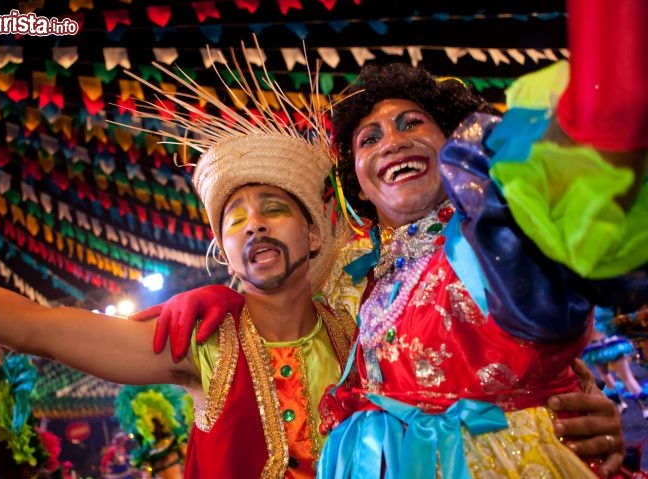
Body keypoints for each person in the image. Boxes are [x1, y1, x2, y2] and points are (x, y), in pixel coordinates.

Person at [134, 0, 645, 477]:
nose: (393, 141)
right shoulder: (360, 279)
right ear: (357, 180)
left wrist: (584, 401)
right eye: (370, 138)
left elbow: (604, 139)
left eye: (411, 124)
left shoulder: (491, 232)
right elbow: (282, 305)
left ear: (452, 145)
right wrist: (223, 297)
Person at [0, 47, 354, 479]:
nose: (254, 225)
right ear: (225, 254)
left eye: (273, 209)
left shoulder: (359, 338)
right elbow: (31, 325)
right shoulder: (203, 343)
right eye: (236, 219)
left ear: (314, 233)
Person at [582, 306, 648, 418]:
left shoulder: (594, 307)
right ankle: (623, 404)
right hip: (598, 347)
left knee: (620, 376)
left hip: (606, 345)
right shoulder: (591, 308)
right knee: (613, 376)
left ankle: (642, 406)